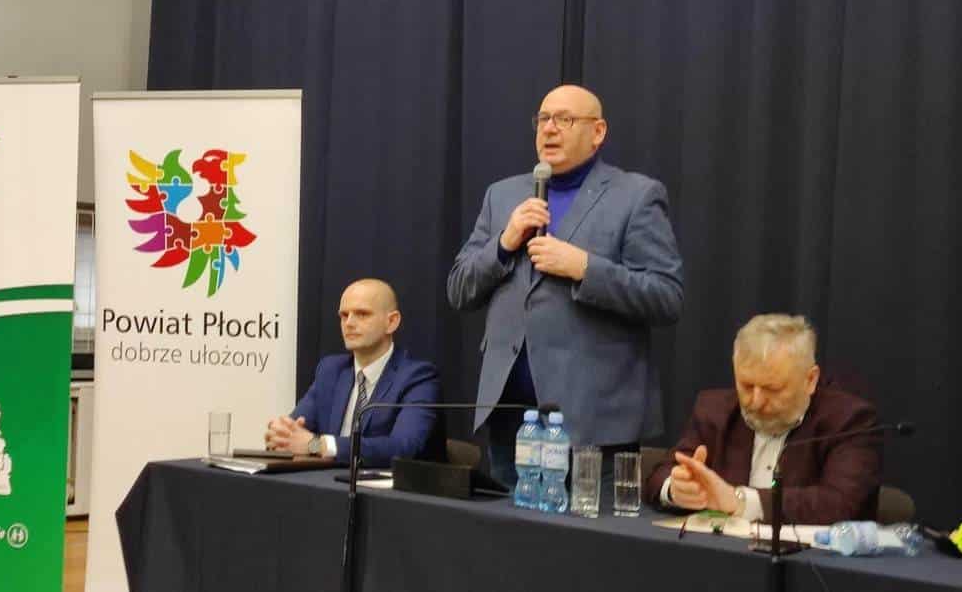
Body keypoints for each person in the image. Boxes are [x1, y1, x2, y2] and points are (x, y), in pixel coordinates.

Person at [447, 84, 683, 487]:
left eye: (565, 119)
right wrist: (503, 244)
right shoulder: (502, 195)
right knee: (502, 527)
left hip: (592, 424)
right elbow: (458, 288)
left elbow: (666, 296)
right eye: (543, 119)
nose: (549, 129)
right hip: (511, 420)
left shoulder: (636, 195)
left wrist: (585, 268)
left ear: (598, 132)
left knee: (583, 530)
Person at [644, 314, 881, 525]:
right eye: (746, 386)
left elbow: (841, 503)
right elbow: (659, 476)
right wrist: (677, 488)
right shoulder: (715, 411)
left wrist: (740, 501)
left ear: (810, 380)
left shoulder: (848, 421)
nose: (755, 402)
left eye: (772, 389)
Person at [265, 278, 443, 467]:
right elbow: (294, 433)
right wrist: (281, 436)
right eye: (344, 315)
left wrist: (317, 445)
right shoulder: (330, 370)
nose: (349, 323)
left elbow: (403, 447)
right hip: (325, 481)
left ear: (391, 322)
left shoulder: (418, 377)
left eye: (362, 314)